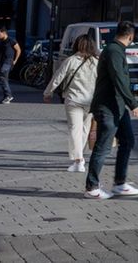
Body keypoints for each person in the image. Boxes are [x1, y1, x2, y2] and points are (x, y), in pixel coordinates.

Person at [85, 21, 138, 200]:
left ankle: (120, 183)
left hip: (118, 106)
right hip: (107, 106)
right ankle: (92, 187)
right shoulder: (113, 51)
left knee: (127, 140)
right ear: (130, 36)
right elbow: (119, 78)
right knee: (103, 146)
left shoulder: (116, 50)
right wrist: (133, 103)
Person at [44, 34, 100, 173]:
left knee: (75, 129)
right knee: (84, 130)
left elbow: (58, 76)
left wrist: (48, 92)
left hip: (74, 100)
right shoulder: (97, 61)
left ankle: (78, 160)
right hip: (91, 101)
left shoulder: (71, 60)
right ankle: (79, 159)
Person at [0, 28, 21, 104]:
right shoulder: (1, 42)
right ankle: (6, 97)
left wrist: (15, 60)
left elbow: (18, 50)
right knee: (4, 79)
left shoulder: (11, 40)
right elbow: (1, 54)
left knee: (2, 76)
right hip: (2, 61)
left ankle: (8, 95)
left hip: (8, 61)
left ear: (4, 33)